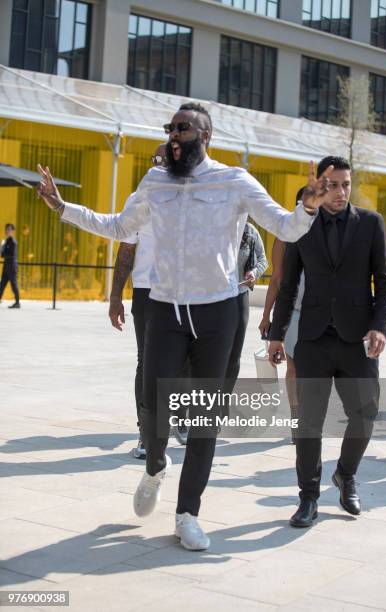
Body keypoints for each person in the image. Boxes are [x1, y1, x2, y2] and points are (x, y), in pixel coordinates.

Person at [37, 102, 332, 551]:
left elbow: (284, 227)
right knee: (157, 407)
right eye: (171, 130)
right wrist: (63, 207)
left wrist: (308, 207)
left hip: (218, 314)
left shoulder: (234, 180)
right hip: (166, 311)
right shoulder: (154, 182)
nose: (174, 137)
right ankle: (155, 465)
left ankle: (187, 514)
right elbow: (119, 227)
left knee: (204, 418)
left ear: (205, 136)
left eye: (183, 130)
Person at [268, 156, 386, 528]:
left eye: (345, 184)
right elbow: (288, 284)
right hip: (313, 338)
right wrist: (276, 334)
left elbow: (384, 283)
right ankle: (308, 497)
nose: (340, 192)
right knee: (309, 422)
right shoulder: (301, 225)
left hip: (357, 340)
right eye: (333, 184)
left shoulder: (371, 224)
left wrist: (380, 327)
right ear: (319, 185)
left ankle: (346, 474)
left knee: (365, 414)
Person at [109, 144, 188, 459]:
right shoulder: (137, 199)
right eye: (153, 160)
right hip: (146, 292)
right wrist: (115, 296)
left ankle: (179, 419)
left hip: (185, 293)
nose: (157, 165)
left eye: (163, 160)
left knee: (183, 362)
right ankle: (147, 433)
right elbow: (126, 250)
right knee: (148, 363)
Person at [259, 189, 306, 443]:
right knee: (294, 368)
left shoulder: (328, 232)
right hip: (294, 312)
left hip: (324, 314)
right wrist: (267, 316)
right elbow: (276, 279)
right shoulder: (285, 235)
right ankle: (297, 417)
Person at [223, 221, 268, 398]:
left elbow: (263, 260)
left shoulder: (250, 232)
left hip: (239, 297)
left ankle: (223, 401)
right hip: (213, 300)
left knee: (234, 355)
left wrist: (254, 272)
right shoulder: (212, 227)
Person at [0, 223, 20, 308]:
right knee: (2, 284)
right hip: (6, 267)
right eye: (7, 229)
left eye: (9, 229)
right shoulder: (6, 241)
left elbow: (11, 254)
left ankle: (17, 302)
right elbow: (2, 254)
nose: (7, 231)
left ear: (12, 231)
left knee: (14, 285)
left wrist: (3, 253)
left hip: (12, 267)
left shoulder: (13, 242)